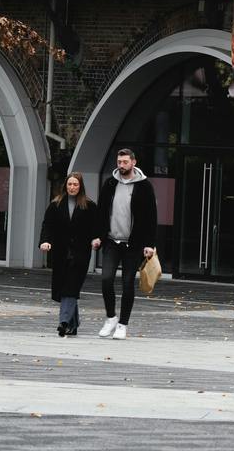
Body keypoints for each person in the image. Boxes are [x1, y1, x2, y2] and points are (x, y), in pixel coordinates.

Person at [96, 146, 156, 340]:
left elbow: (150, 217)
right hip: (112, 241)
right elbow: (101, 212)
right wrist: (98, 235)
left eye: (125, 162)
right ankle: (111, 317)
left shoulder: (144, 186)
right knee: (106, 280)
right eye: (119, 162)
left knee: (128, 283)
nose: (121, 165)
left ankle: (123, 324)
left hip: (134, 244)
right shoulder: (110, 184)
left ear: (133, 162)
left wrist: (149, 244)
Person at [39, 172, 97, 337]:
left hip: (80, 253)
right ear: (65, 185)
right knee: (65, 288)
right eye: (70, 184)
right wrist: (45, 241)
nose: (72, 187)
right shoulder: (56, 204)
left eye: (75, 184)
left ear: (80, 186)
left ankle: (63, 322)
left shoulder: (89, 206)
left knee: (71, 287)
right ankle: (74, 323)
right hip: (60, 252)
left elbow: (96, 227)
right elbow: (47, 225)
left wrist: (96, 239)